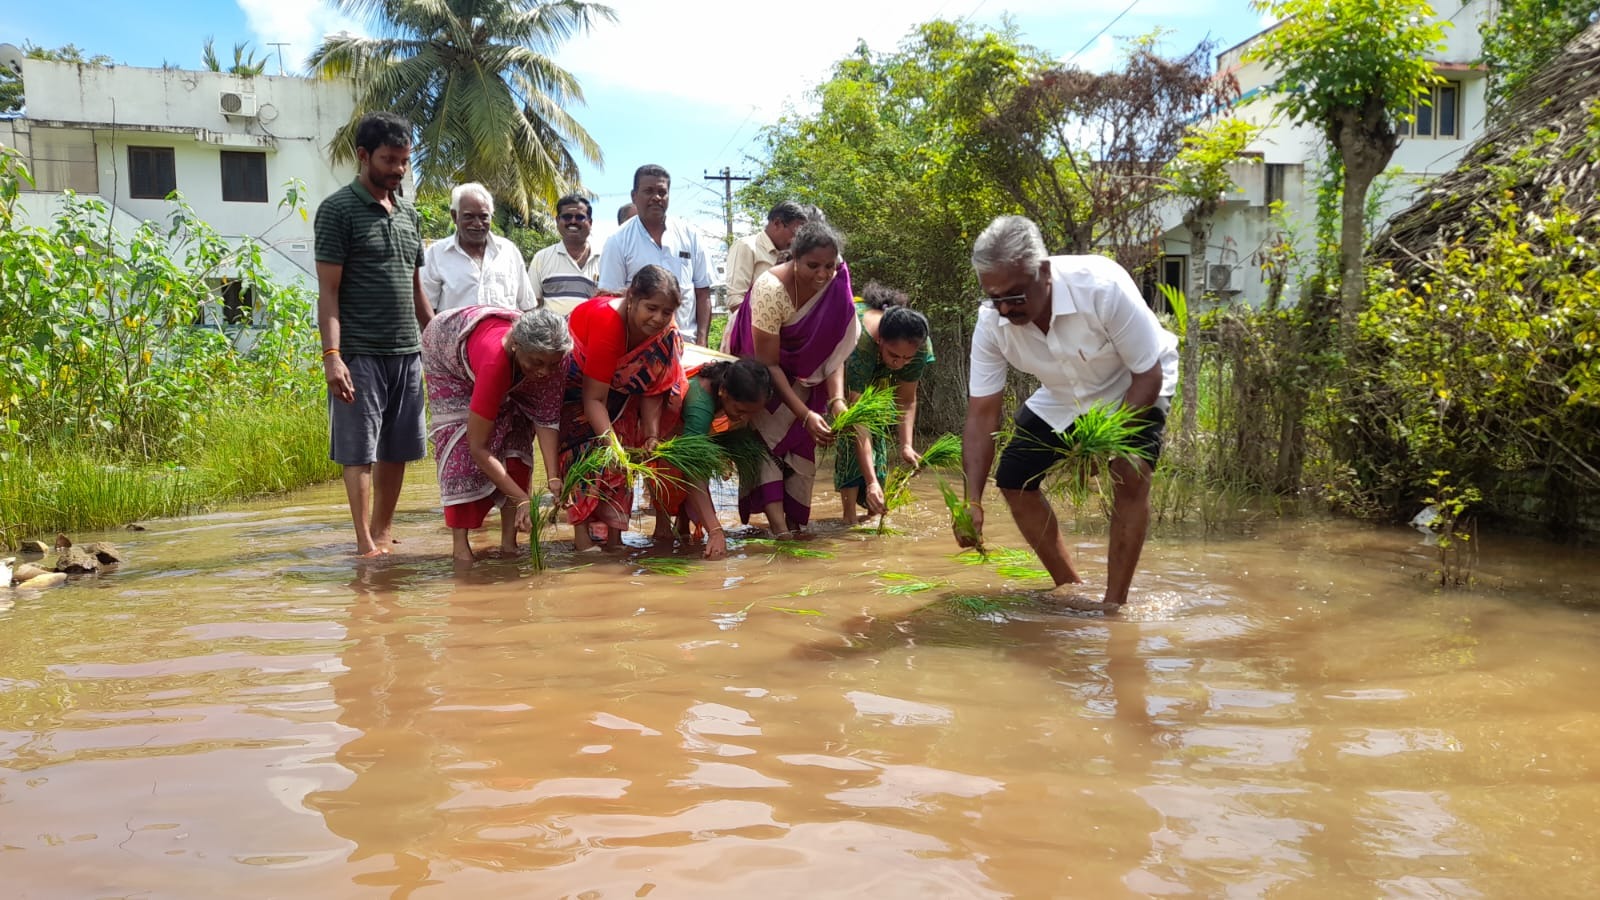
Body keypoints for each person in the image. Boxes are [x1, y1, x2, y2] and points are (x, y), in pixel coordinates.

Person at [956, 215, 1177, 613]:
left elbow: (1148, 374)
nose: (1005, 308)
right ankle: (1069, 589)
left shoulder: (1102, 286)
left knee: (1128, 471)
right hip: (1065, 394)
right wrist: (972, 500)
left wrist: (1101, 446)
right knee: (1014, 478)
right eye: (994, 297)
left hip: (1135, 379)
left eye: (1015, 296)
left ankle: (1112, 607)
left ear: (1044, 273)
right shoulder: (992, 323)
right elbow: (982, 415)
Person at [314, 111, 433, 558]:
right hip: (360, 352)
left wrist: (438, 341)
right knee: (359, 450)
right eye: (389, 160)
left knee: (397, 449)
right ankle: (364, 542)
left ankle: (382, 532)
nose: (398, 169)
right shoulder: (337, 211)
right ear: (363, 156)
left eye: (404, 160)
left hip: (407, 352)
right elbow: (328, 292)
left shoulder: (409, 215)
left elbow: (417, 290)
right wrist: (332, 355)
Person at [724, 221, 858, 536]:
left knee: (801, 447)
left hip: (808, 378)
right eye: (813, 266)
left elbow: (833, 351)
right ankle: (781, 531)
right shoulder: (770, 290)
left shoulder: (836, 282)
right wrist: (805, 414)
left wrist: (836, 401)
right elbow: (768, 363)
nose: (822, 274)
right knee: (765, 446)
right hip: (762, 374)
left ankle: (796, 528)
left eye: (829, 266)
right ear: (794, 258)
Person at [420, 307, 569, 563]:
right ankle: (461, 549)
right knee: (461, 452)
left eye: (552, 365)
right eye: (537, 363)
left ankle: (509, 545)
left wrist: (554, 477)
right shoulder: (495, 361)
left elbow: (545, 418)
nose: (545, 372)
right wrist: (522, 499)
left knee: (517, 440)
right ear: (516, 346)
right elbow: (477, 447)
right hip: (447, 353)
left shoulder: (556, 356)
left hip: (500, 357)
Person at [559, 265, 686, 552]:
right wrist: (611, 445)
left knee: (625, 456)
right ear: (632, 299)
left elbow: (652, 385)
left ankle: (615, 539)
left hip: (623, 392)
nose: (658, 318)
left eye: (666, 312)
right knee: (586, 454)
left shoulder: (666, 333)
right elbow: (594, 399)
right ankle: (582, 540)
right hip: (578, 387)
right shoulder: (608, 323)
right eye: (651, 308)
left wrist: (651, 434)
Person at [834, 282, 935, 525]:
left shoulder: (919, 347)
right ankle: (849, 518)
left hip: (877, 379)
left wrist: (906, 446)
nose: (900, 363)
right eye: (894, 355)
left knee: (878, 432)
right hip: (842, 367)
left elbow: (906, 400)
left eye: (907, 358)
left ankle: (873, 512)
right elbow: (859, 417)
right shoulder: (861, 340)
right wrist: (870, 481)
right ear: (881, 341)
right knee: (850, 433)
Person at [654, 357, 774, 560]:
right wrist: (715, 531)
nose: (744, 418)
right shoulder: (700, 404)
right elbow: (692, 468)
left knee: (683, 530)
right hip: (662, 436)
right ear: (723, 391)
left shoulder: (727, 385)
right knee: (665, 523)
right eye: (740, 411)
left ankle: (683, 532)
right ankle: (662, 538)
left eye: (751, 413)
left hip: (685, 435)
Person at [597, 165, 713, 345]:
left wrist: (702, 341)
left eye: (662, 192)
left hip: (686, 343)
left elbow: (702, 292)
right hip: (637, 348)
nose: (656, 197)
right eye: (648, 191)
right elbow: (609, 301)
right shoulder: (617, 241)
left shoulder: (690, 235)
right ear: (634, 196)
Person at [419, 182, 535, 313]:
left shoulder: (509, 251)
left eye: (484, 216)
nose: (477, 224)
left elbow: (528, 305)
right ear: (454, 216)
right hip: (456, 328)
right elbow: (425, 307)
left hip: (506, 327)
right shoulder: (436, 254)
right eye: (469, 216)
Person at [723, 200, 809, 314]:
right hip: (751, 324)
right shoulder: (747, 246)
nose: (797, 239)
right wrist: (766, 321)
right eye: (796, 233)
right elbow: (735, 301)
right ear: (777, 223)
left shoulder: (794, 254)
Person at [527, 193, 601, 316]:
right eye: (567, 217)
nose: (573, 221)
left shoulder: (603, 261)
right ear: (557, 221)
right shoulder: (542, 258)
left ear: (590, 222)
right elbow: (532, 306)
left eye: (580, 217)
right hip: (551, 329)